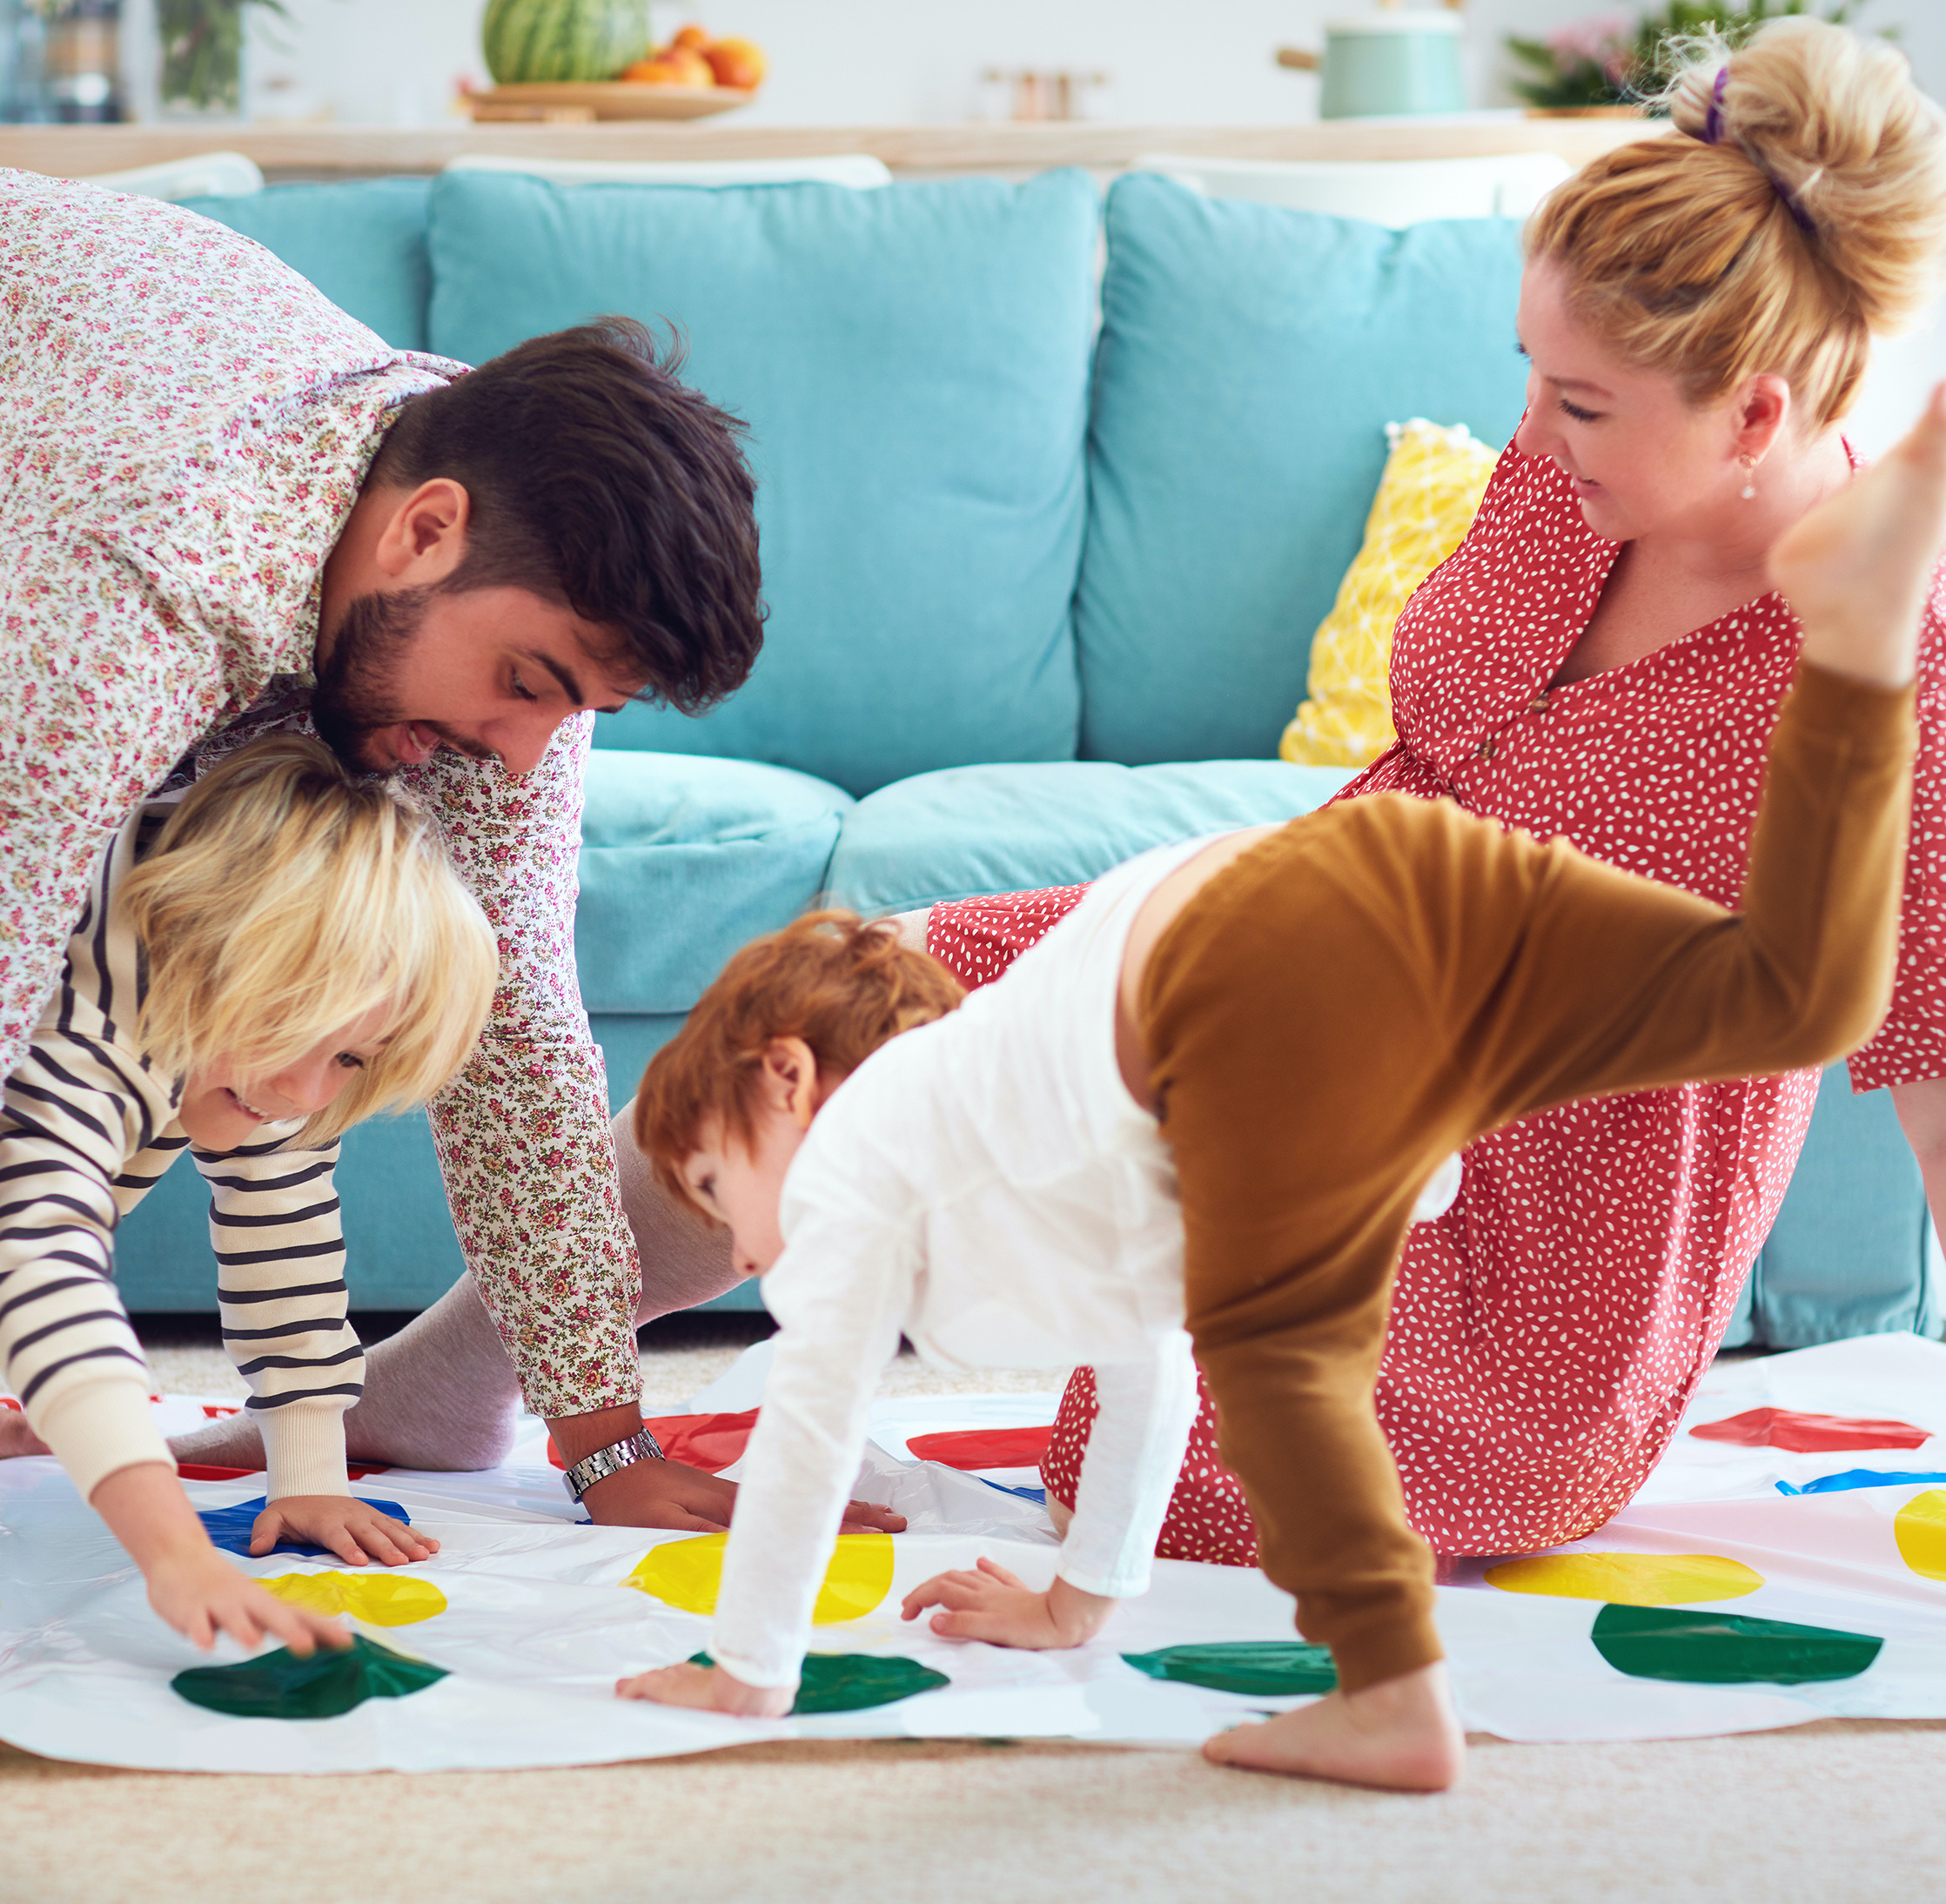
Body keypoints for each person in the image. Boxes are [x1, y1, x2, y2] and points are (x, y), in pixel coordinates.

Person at [609, 378, 1946, 1791]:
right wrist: (1082, 1596)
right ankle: (1857, 652)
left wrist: (748, 1662)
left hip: (1304, 958)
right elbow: (1142, 1353)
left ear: (786, 1083)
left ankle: (1389, 1696)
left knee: (1272, 1345)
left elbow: (817, 1411)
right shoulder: (1026, 1151)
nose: (748, 1252)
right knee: (1790, 993)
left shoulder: (868, 1139)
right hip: (1385, 903)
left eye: (719, 1192)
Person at [903, 17, 1946, 1567]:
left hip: (1537, 1246)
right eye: (1534, 373)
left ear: (1754, 416)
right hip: (1305, 969)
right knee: (856, 995)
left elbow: (1932, 1073)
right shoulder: (1571, 464)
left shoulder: (1884, 674)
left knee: (1161, 1464)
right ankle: (534, 1393)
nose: (1528, 429)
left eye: (1580, 401)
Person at [0, 168, 882, 1537]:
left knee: (242, 1006)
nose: (523, 755)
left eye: (571, 709)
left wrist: (604, 1446)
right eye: (527, 683)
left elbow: (516, 1022)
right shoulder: (133, 594)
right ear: (423, 533)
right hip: (69, 474)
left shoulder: (504, 549)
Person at [0, 736, 498, 1654]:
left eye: (349, 1058)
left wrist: (306, 1471)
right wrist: (174, 1549)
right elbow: (38, 1256)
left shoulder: (230, 1017)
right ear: (211, 941)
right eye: (294, 1030)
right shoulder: (91, 1016)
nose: (311, 1092)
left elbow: (286, 1224)